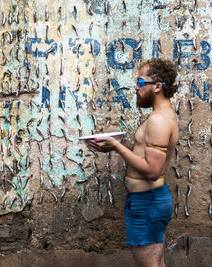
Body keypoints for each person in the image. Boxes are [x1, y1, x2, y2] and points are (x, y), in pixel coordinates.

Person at [86, 58, 179, 267]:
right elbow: (146, 156)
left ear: (157, 86)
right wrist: (120, 144)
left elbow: (153, 171)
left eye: (140, 82)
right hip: (148, 201)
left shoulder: (158, 120)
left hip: (148, 203)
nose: (135, 88)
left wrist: (116, 147)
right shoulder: (163, 116)